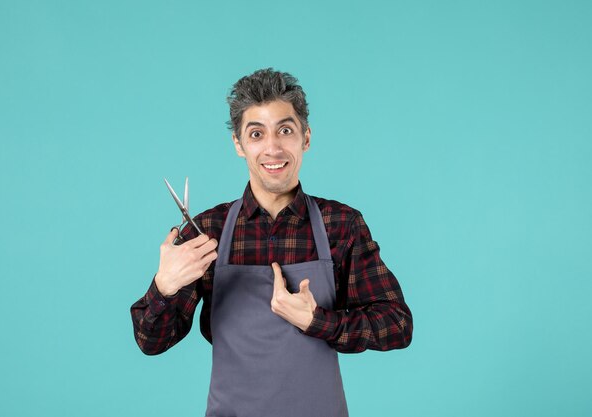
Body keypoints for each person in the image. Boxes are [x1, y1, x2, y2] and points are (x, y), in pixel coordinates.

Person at [130, 68, 413, 417]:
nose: (272, 148)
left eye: (285, 130)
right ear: (239, 144)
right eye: (256, 133)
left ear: (305, 138)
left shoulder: (341, 225)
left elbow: (398, 324)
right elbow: (151, 342)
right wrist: (165, 287)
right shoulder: (207, 232)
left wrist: (318, 322)